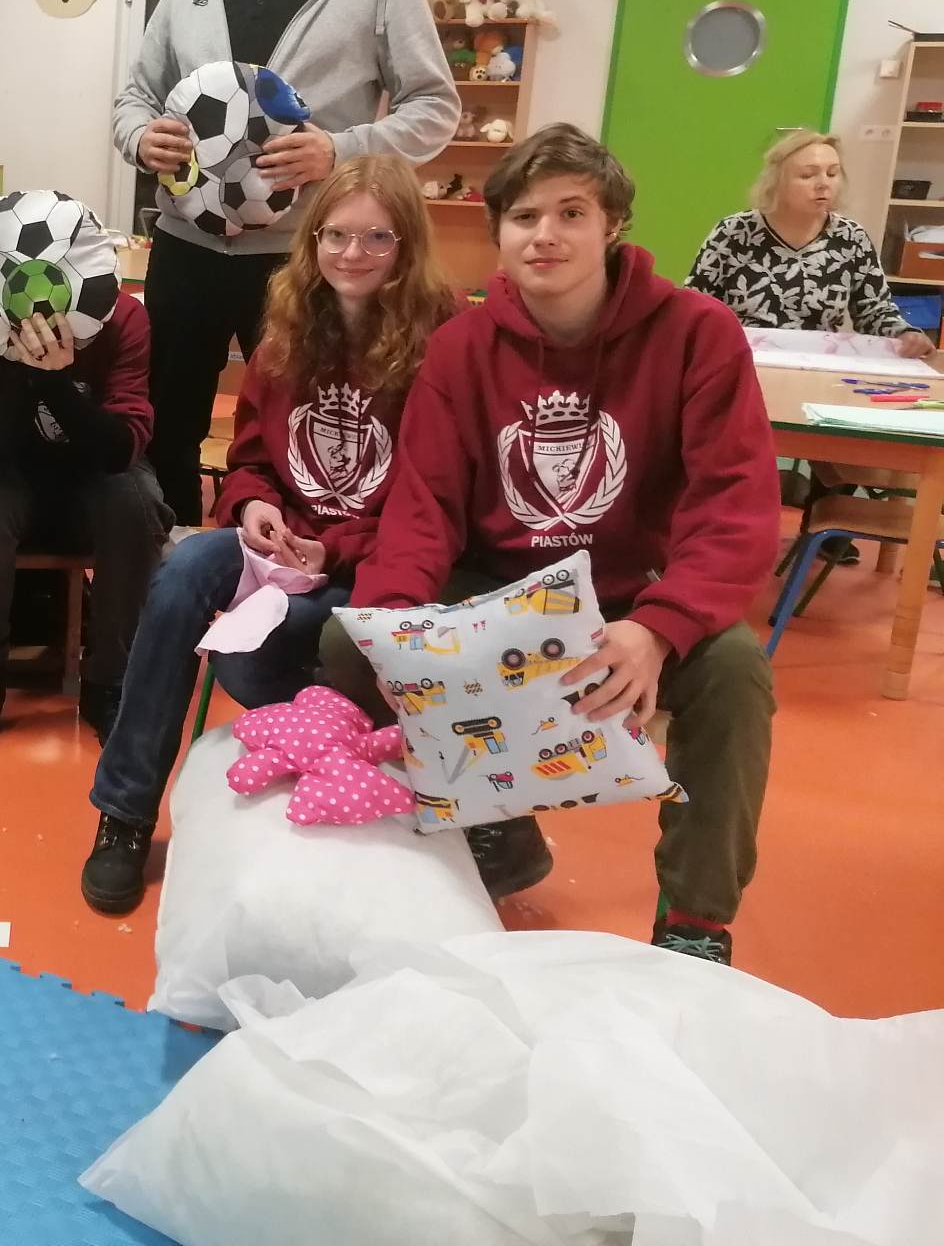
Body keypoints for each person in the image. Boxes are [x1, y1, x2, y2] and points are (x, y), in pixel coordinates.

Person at [318, 125, 780, 966]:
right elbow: (423, 510)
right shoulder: (461, 347)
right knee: (351, 643)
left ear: (613, 226)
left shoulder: (698, 333)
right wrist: (393, 625)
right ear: (498, 232)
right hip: (496, 592)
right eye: (525, 216)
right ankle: (490, 833)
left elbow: (734, 507)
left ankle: (695, 922)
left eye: (572, 213)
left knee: (735, 673)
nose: (546, 235)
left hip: (628, 602)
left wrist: (660, 628)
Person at [80, 156, 458, 913]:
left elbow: (432, 503)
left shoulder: (441, 347)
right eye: (335, 235)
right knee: (184, 568)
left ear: (407, 246)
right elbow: (250, 459)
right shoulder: (284, 332)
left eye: (376, 237)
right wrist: (253, 505)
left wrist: (335, 550)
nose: (352, 253)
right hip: (281, 548)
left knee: (259, 657)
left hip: (372, 568)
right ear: (312, 241)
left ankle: (323, 800)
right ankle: (124, 811)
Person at [113, 0, 460, 527]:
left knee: (300, 430)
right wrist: (141, 137)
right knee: (167, 424)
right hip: (185, 249)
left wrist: (340, 150)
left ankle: (297, 567)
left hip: (305, 258)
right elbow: (133, 98)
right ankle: (174, 561)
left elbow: (435, 108)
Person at [0, 290, 167, 760]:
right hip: (5, 473)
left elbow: (121, 449)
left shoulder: (123, 316)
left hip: (97, 469)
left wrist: (58, 383)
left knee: (137, 504)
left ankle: (110, 682)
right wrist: (29, 375)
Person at [686, 129, 933, 355]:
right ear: (777, 182)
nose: (823, 183)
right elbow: (694, 304)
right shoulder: (735, 231)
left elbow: (874, 311)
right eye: (807, 175)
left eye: (832, 173)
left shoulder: (851, 238)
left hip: (818, 360)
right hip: (741, 357)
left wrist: (905, 333)